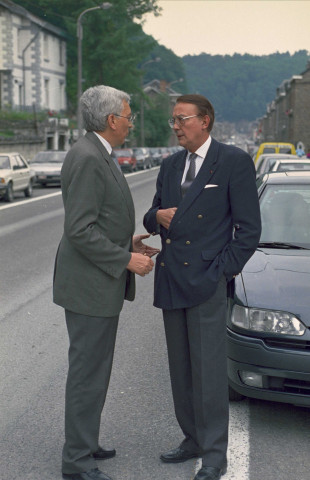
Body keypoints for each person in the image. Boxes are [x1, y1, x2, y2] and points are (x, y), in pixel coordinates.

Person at [143, 94, 261, 480]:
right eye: (173, 120)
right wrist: (154, 215)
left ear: (205, 120)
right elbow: (153, 213)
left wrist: (221, 272)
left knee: (209, 375)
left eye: (182, 119)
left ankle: (214, 455)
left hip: (206, 281)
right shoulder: (171, 164)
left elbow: (248, 231)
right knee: (181, 370)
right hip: (172, 278)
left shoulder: (232, 162)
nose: (175, 126)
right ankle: (192, 438)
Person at [53, 85, 158, 480]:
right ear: (112, 120)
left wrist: (125, 242)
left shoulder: (100, 153)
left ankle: (85, 441)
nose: (131, 123)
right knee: (87, 374)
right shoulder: (86, 157)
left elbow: (97, 221)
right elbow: (79, 229)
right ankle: (76, 462)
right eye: (128, 117)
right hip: (89, 285)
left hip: (98, 282)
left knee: (95, 371)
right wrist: (124, 259)